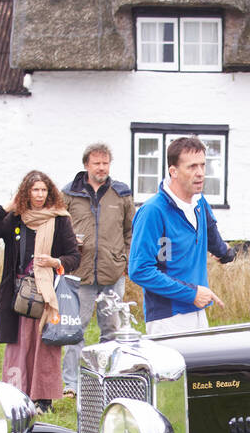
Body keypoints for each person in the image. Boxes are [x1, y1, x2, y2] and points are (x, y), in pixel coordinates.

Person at [0, 171, 80, 412]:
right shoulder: (16, 218)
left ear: (50, 193)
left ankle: (43, 399)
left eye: (43, 190)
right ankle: (16, 394)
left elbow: (74, 257)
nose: (39, 195)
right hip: (18, 294)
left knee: (45, 346)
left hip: (47, 295)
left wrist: (55, 262)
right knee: (19, 345)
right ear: (26, 192)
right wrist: (9, 206)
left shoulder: (59, 219)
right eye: (34, 190)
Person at [129, 136, 228, 335]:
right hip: (168, 317)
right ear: (173, 171)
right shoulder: (153, 211)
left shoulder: (200, 203)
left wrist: (226, 254)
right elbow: (139, 270)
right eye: (192, 167)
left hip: (199, 311)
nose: (200, 173)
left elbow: (212, 237)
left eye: (202, 165)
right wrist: (191, 294)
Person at [61, 142, 135, 395]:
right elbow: (60, 229)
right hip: (78, 275)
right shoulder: (69, 193)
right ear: (86, 165)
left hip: (112, 273)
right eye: (97, 163)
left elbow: (130, 230)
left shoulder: (121, 193)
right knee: (74, 330)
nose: (101, 168)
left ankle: (109, 379)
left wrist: (124, 259)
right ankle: (72, 383)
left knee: (111, 330)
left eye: (105, 163)